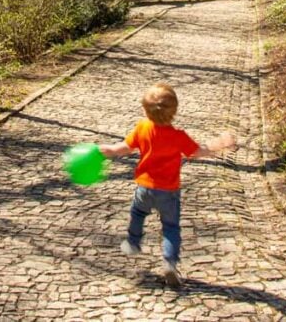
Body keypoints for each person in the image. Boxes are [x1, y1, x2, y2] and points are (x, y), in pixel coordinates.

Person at [99, 83, 237, 287]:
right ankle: (170, 263)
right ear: (174, 111)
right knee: (171, 228)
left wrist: (106, 150)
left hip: (145, 188)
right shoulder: (178, 136)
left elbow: (124, 147)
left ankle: (133, 242)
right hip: (169, 191)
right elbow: (197, 152)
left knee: (138, 213)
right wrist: (217, 145)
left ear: (145, 110)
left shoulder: (142, 128)